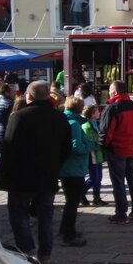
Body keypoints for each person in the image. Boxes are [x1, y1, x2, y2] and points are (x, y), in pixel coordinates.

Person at [0, 81, 71, 264]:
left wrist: (4, 178)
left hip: (22, 177)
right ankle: (45, 255)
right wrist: (55, 166)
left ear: (29, 96)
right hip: (48, 176)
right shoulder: (59, 118)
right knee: (45, 216)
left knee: (19, 214)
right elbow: (66, 148)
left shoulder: (19, 116)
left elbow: (8, 148)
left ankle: (28, 251)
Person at [99, 80, 133, 225]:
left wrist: (104, 146)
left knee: (118, 182)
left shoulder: (112, 108)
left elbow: (106, 132)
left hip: (116, 150)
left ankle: (121, 213)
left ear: (115, 92)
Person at [58, 97, 95, 247]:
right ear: (80, 108)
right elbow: (76, 146)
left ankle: (64, 229)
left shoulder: (65, 120)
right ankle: (69, 234)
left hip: (68, 167)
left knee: (71, 200)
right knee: (72, 202)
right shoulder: (74, 124)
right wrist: (90, 146)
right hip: (73, 168)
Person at [81, 104, 107, 206]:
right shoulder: (86, 126)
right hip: (92, 154)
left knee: (99, 177)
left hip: (99, 154)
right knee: (94, 177)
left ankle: (97, 197)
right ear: (92, 114)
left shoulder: (98, 123)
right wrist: (98, 143)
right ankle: (80, 192)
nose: (99, 113)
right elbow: (89, 140)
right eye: (97, 111)